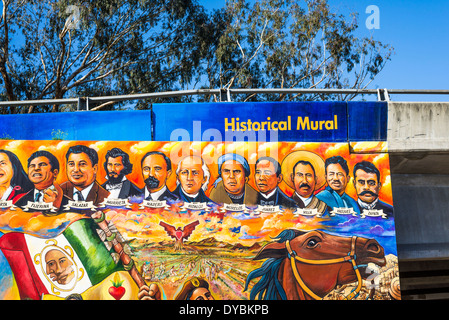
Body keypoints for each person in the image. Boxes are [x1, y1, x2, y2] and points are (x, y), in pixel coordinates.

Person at [61, 145, 109, 209]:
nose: (76, 170)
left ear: (94, 168)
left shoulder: (105, 196)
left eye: (82, 164)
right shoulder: (59, 192)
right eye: (71, 164)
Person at [281, 150, 329, 216]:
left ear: (315, 179)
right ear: (292, 178)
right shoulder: (284, 206)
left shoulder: (324, 208)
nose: (304, 181)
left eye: (309, 175)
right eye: (300, 175)